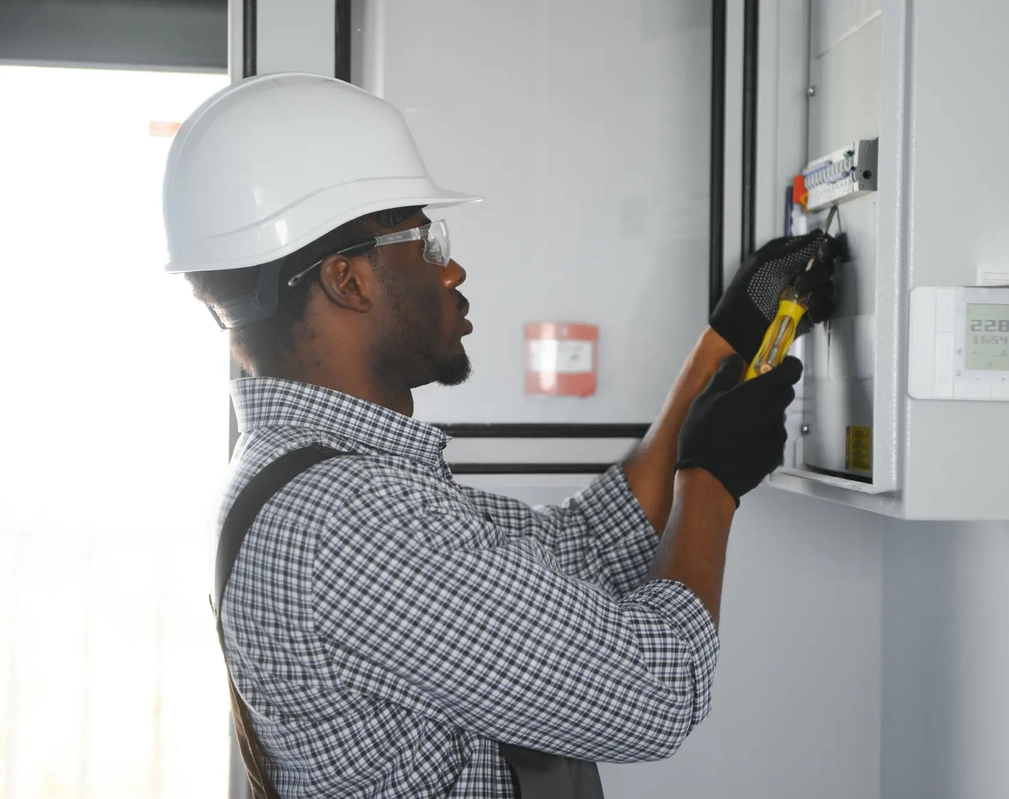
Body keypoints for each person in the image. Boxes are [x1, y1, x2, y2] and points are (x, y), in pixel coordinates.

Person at [164, 73, 837, 799]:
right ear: (347, 280)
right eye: (425, 242)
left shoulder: (314, 480)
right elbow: (657, 688)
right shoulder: (347, 520)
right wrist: (710, 481)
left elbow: (584, 547)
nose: (450, 267)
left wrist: (727, 341)